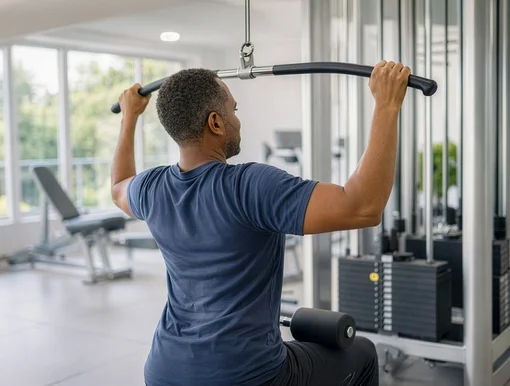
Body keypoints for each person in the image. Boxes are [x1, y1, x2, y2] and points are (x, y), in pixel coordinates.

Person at [111, 60, 411, 386]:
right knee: (363, 353)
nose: (238, 120)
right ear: (215, 123)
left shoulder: (152, 188)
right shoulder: (248, 186)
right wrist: (387, 104)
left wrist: (129, 118)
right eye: (233, 109)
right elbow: (363, 207)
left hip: (164, 371)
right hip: (246, 375)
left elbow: (118, 187)